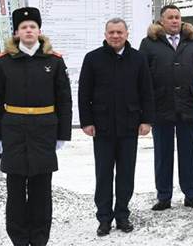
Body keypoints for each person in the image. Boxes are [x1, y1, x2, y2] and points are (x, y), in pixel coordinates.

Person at [0, 6, 72, 246]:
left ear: (39, 30)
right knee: (14, 188)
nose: (29, 30)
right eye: (24, 27)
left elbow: (64, 99)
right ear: (16, 33)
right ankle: (19, 239)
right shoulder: (4, 62)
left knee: (41, 189)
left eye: (33, 26)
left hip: (44, 130)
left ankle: (39, 238)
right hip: (12, 130)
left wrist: (62, 134)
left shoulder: (54, 61)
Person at [78, 18, 154, 236]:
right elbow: (84, 93)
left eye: (119, 32)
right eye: (111, 32)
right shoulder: (93, 59)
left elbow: (146, 92)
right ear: (105, 34)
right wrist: (87, 122)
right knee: (103, 174)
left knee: (126, 174)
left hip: (130, 126)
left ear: (126, 34)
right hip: (102, 127)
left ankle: (122, 215)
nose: (115, 36)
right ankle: (104, 218)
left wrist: (147, 120)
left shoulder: (138, 59)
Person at [139, 5, 193, 210]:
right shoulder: (148, 44)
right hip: (160, 105)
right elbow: (141, 77)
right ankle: (163, 197)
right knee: (163, 154)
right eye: (170, 17)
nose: (174, 21)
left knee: (189, 153)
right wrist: (143, 107)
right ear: (161, 21)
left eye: (177, 17)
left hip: (187, 105)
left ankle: (191, 195)